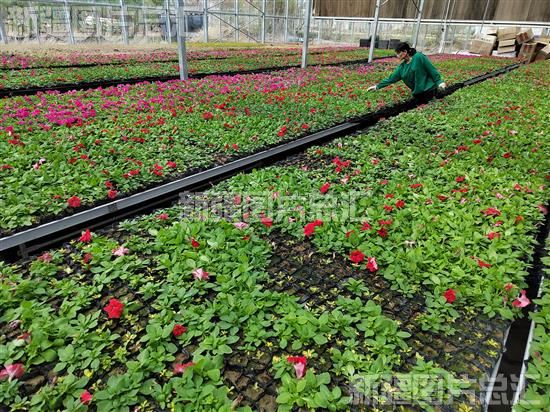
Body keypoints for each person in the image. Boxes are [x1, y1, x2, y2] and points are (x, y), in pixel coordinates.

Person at [367, 42, 446, 104]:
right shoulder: (402, 67)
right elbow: (391, 79)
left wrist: (439, 81)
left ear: (405, 51)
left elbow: (431, 69)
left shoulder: (418, 57)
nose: (397, 56)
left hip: (429, 90)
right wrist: (377, 86)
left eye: (398, 53)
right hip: (418, 93)